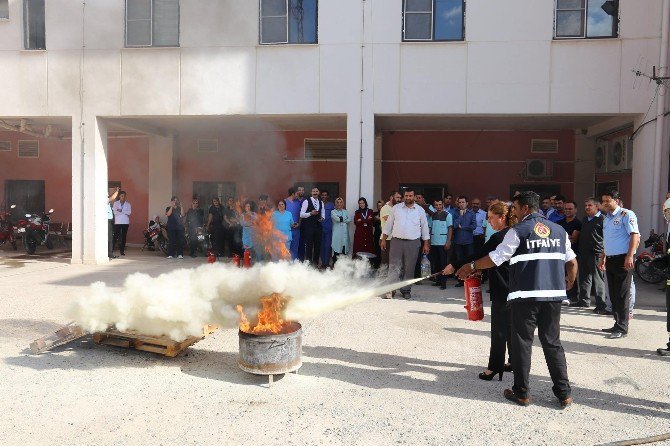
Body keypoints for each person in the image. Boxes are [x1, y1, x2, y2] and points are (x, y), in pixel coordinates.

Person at [456, 191, 576, 408]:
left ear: (525, 209)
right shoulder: (559, 231)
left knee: (522, 343)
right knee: (552, 343)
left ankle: (522, 393)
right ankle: (564, 393)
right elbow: (572, 262)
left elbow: (496, 257)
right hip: (553, 297)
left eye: (517, 208)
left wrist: (472, 266)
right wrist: (569, 282)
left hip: (525, 296)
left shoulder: (518, 231)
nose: (515, 212)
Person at [446, 201, 518, 380]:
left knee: (499, 329)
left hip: (502, 287)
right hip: (517, 287)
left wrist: (454, 265)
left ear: (502, 217)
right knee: (512, 327)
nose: (489, 222)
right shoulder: (516, 234)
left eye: (492, 218)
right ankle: (514, 361)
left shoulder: (499, 237)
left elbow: (477, 255)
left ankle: (494, 367)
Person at [598, 190, 640, 339]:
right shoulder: (606, 218)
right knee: (614, 294)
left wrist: (630, 255)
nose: (605, 203)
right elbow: (607, 239)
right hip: (610, 258)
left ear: (616, 200)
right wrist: (603, 256)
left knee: (622, 294)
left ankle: (622, 327)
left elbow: (634, 235)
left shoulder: (626, 214)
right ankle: (617, 323)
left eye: (608, 200)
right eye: (603, 201)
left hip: (623, 258)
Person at [380, 188, 430, 299]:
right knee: (394, 266)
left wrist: (426, 244)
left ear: (414, 197)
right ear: (404, 196)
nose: (408, 198)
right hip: (396, 241)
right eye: (406, 196)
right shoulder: (396, 209)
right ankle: (391, 290)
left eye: (410, 196)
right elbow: (388, 225)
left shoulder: (420, 210)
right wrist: (383, 239)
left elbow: (425, 228)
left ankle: (406, 290)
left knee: (409, 267)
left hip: (413, 242)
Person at [576, 197, 606, 311]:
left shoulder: (602, 219)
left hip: (596, 253)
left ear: (597, 206)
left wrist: (604, 254)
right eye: (585, 206)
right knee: (584, 277)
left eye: (590, 205)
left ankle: (601, 305)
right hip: (583, 252)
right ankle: (583, 301)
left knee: (598, 279)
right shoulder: (585, 219)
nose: (587, 208)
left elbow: (606, 237)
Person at [559, 201, 582, 303]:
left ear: (575, 210)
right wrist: (568, 236)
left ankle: (573, 297)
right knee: (561, 274)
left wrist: (564, 237)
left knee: (572, 274)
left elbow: (574, 239)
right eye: (566, 209)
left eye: (570, 209)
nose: (567, 211)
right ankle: (562, 294)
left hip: (573, 253)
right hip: (560, 253)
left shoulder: (578, 223)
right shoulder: (559, 223)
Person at [452, 196, 477, 287]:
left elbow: (474, 226)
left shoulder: (471, 213)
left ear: (467, 203)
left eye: (463, 202)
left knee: (470, 261)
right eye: (460, 202)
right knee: (459, 261)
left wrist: (463, 227)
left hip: (468, 241)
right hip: (458, 241)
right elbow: (454, 225)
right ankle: (460, 281)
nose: (461, 204)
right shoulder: (455, 213)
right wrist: (461, 216)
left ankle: (470, 279)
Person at [430, 199, 453, 289]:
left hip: (443, 243)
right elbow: (431, 228)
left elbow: (450, 229)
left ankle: (443, 283)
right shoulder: (433, 215)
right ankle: (438, 281)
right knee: (436, 263)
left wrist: (448, 241)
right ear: (434, 206)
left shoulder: (448, 215)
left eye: (440, 204)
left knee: (443, 263)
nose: (438, 206)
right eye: (436, 205)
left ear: (443, 205)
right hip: (434, 242)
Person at [300, 187, 325, 265]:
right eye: (313, 191)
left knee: (318, 246)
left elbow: (323, 213)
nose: (315, 192)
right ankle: (309, 265)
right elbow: (301, 214)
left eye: (316, 191)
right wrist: (310, 213)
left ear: (318, 192)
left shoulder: (321, 202)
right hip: (309, 227)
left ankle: (315, 264)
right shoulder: (306, 201)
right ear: (311, 192)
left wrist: (322, 218)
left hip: (318, 227)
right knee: (309, 247)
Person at [379, 191, 401, 270]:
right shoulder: (385, 208)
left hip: (394, 239)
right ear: (391, 198)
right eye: (397, 197)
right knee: (385, 262)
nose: (399, 199)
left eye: (400, 198)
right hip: (386, 239)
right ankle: (383, 279)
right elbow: (390, 221)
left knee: (394, 261)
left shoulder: (396, 208)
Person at [330, 197, 352, 266]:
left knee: (344, 251)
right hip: (337, 234)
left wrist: (342, 219)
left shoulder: (345, 211)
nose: (339, 204)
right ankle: (335, 268)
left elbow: (350, 219)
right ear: (335, 203)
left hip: (345, 234)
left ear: (343, 203)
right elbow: (337, 219)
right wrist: (344, 219)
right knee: (336, 251)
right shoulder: (333, 211)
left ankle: (343, 269)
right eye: (338, 202)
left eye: (340, 202)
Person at [285, 187, 303, 260]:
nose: (298, 195)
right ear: (293, 194)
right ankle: (286, 265)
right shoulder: (284, 202)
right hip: (287, 229)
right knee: (286, 248)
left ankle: (294, 265)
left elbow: (301, 214)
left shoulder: (298, 202)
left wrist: (299, 223)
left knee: (295, 248)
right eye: (297, 193)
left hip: (296, 229)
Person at [112, 191, 131, 256]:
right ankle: (111, 249)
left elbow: (129, 213)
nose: (123, 197)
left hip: (125, 222)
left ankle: (122, 251)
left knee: (123, 237)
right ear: (119, 196)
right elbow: (115, 212)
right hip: (118, 222)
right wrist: (123, 212)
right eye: (122, 196)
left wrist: (121, 210)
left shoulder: (128, 204)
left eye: (124, 196)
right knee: (115, 236)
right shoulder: (116, 203)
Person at [320, 190, 335, 268]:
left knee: (328, 246)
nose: (324, 196)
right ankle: (323, 263)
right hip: (320, 228)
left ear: (328, 196)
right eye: (322, 195)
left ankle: (327, 263)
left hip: (329, 228)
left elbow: (335, 215)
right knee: (321, 246)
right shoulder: (318, 204)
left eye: (325, 195)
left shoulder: (331, 205)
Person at [107, 187, 119, 260]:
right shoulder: (102, 198)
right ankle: (110, 253)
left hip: (109, 219)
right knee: (110, 237)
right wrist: (117, 191)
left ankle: (109, 253)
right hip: (107, 220)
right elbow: (112, 198)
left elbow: (110, 197)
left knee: (110, 237)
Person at [372, 199, 385, 268]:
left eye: (381, 205)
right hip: (377, 234)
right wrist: (375, 219)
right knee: (377, 249)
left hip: (384, 235)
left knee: (383, 250)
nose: (379, 207)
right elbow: (373, 225)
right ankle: (376, 265)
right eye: (378, 205)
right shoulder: (375, 213)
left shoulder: (386, 213)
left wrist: (380, 219)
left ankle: (382, 265)